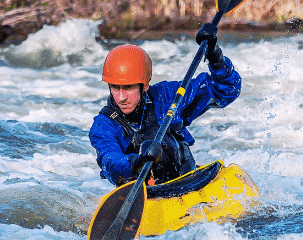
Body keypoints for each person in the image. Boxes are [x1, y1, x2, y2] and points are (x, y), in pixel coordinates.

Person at [88, 23, 241, 186]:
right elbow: (110, 161)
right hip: (146, 193)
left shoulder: (167, 97)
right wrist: (138, 162)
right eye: (115, 87)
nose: (121, 97)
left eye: (128, 88)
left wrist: (215, 56)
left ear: (145, 85)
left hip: (188, 181)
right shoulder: (103, 126)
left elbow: (226, 90)